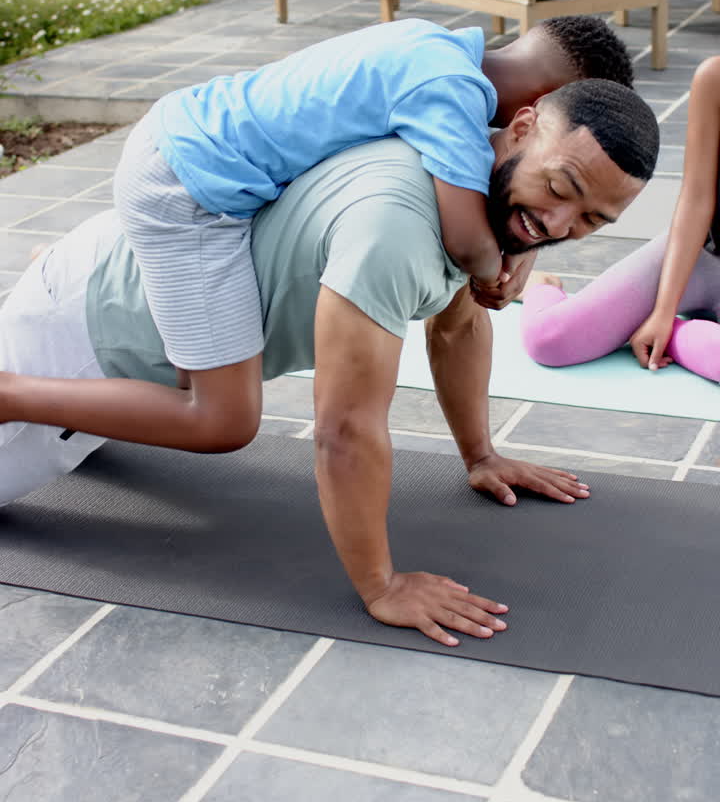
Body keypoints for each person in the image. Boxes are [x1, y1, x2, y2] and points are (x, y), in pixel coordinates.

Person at [0, 78, 658, 647]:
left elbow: (458, 326)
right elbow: (345, 429)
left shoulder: (459, 171)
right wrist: (382, 586)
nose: (560, 222)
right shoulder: (397, 232)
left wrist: (481, 453)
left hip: (112, 288)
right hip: (81, 342)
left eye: (591, 219)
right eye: (560, 187)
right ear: (522, 127)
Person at [109, 14, 632, 455]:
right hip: (188, 183)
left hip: (188, 132)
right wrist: (502, 277)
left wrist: (526, 250)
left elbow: (498, 202)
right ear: (540, 116)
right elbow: (467, 242)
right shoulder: (450, 96)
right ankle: (22, 394)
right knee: (220, 413)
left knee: (196, 364)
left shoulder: (437, 48)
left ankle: (108, 271)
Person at [521, 56, 720, 383]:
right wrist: (663, 311)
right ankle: (540, 286)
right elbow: (697, 199)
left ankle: (679, 337)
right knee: (549, 340)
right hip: (705, 257)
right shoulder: (715, 78)